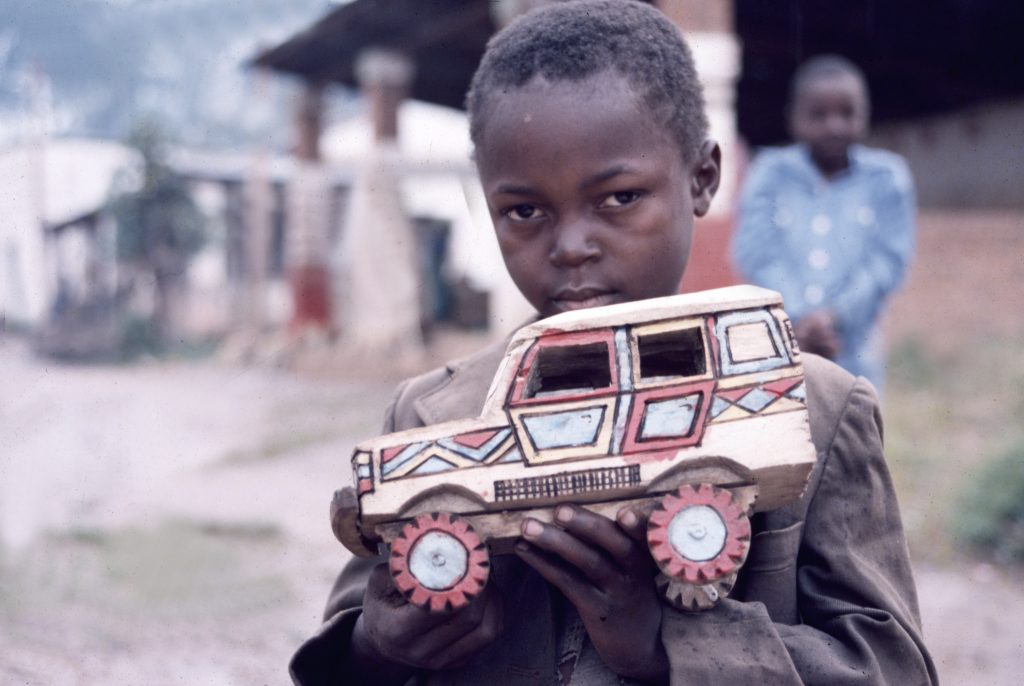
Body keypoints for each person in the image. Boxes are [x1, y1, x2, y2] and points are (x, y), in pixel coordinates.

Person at [290, 3, 936, 684]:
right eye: (525, 211)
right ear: (488, 207)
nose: (572, 247)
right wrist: (376, 647)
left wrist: (670, 643)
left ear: (702, 179)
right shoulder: (432, 413)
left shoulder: (818, 411)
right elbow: (350, 653)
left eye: (620, 198)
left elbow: (895, 668)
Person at [732, 55, 916, 395]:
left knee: (855, 439)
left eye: (847, 112)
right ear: (794, 118)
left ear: (865, 113)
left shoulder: (888, 178)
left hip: (855, 351)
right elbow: (755, 253)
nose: (834, 125)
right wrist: (801, 318)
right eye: (818, 114)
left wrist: (833, 317)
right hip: (782, 345)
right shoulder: (769, 173)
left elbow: (888, 262)